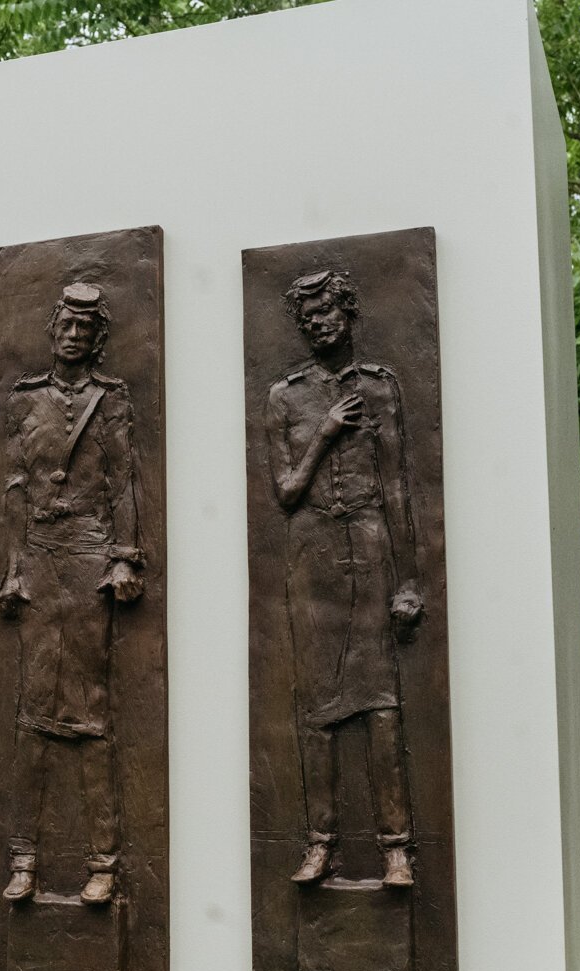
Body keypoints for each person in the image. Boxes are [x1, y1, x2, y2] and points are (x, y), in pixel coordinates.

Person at [264, 268, 423, 888]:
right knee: (318, 708)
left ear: (348, 311)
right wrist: (325, 434)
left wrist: (407, 581)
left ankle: (396, 849)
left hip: (370, 542)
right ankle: (320, 843)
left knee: (382, 705)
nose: (318, 324)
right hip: (313, 555)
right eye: (308, 319)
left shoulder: (380, 388)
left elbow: (399, 488)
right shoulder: (285, 396)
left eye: (327, 311)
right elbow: (285, 491)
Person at [0, 282, 145, 906]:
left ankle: (103, 862)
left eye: (87, 329)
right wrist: (13, 568)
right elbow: (14, 487)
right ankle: (25, 859)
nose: (74, 336)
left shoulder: (110, 401)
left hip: (88, 557)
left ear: (97, 339)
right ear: (53, 328)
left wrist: (125, 557)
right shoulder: (24, 400)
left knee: (90, 715)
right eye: (67, 325)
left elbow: (122, 484)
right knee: (31, 718)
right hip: (39, 556)